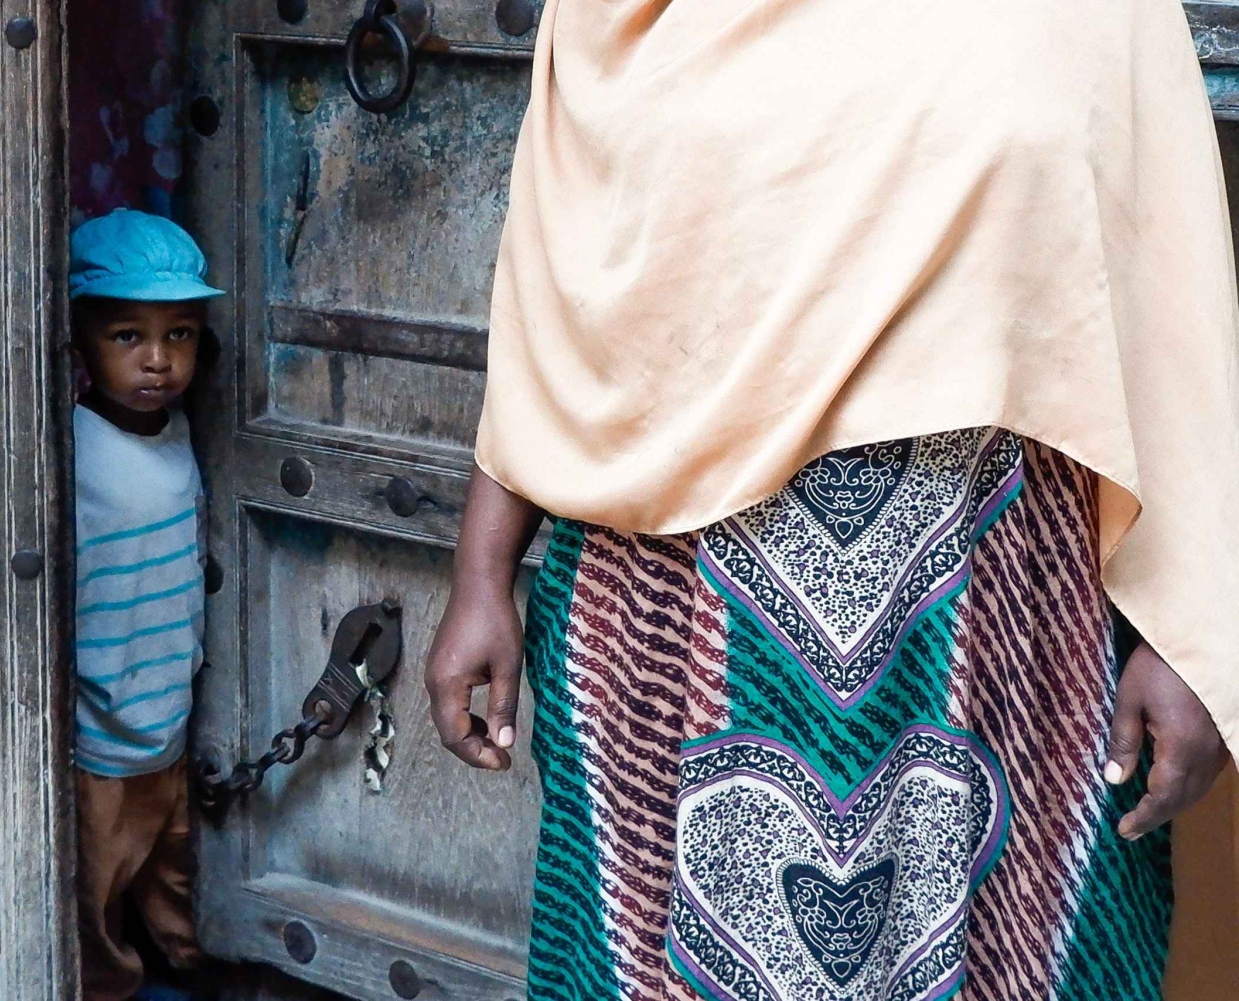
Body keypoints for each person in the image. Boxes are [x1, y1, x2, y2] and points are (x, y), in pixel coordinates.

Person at [425, 2, 1239, 999]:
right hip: (671, 637)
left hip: (991, 641)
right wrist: (482, 568)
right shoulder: (626, 17)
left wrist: (1193, 632)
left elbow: (1168, 296)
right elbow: (565, 280)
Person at [69, 208, 224, 1001]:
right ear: (80, 342)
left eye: (180, 334)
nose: (158, 359)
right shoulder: (71, 445)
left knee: (177, 876)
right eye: (128, 335)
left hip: (169, 716)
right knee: (92, 896)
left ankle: (194, 973)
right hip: (98, 732)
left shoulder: (183, 429)